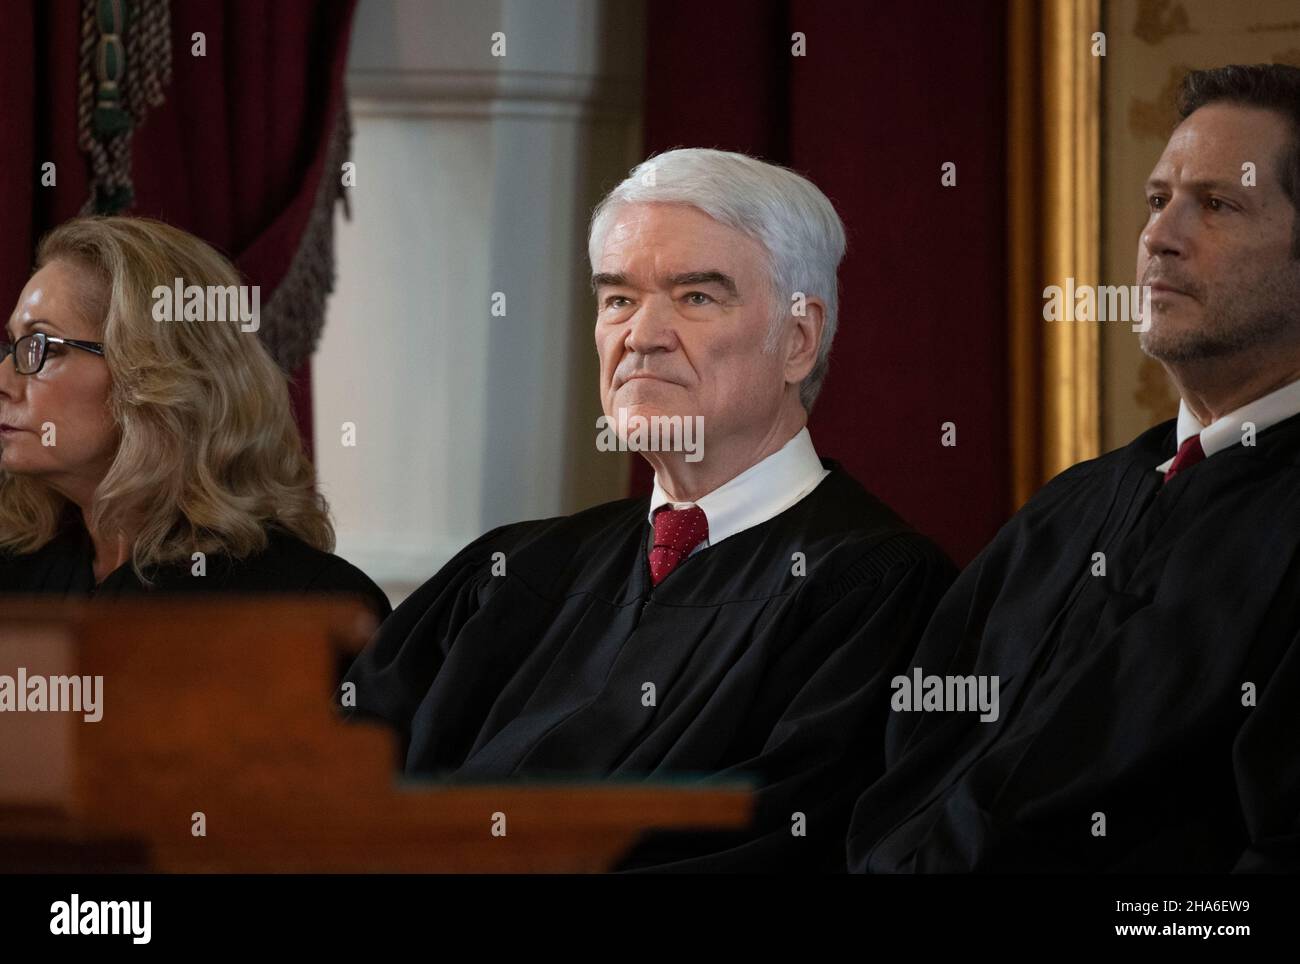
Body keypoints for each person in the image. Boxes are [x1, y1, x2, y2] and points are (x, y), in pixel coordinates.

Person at [341, 148, 955, 871]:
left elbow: (790, 844)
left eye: (696, 297)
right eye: (618, 299)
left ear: (797, 339)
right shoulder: (512, 571)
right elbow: (338, 785)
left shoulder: (877, 593)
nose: (641, 335)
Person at [847, 64, 1300, 873]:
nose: (1160, 236)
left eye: (1219, 205)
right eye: (1158, 200)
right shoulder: (1073, 507)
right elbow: (907, 768)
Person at [0, 216, 390, 623]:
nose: (3, 380)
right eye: (12, 347)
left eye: (40, 346)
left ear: (158, 372)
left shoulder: (310, 604)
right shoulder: (15, 579)